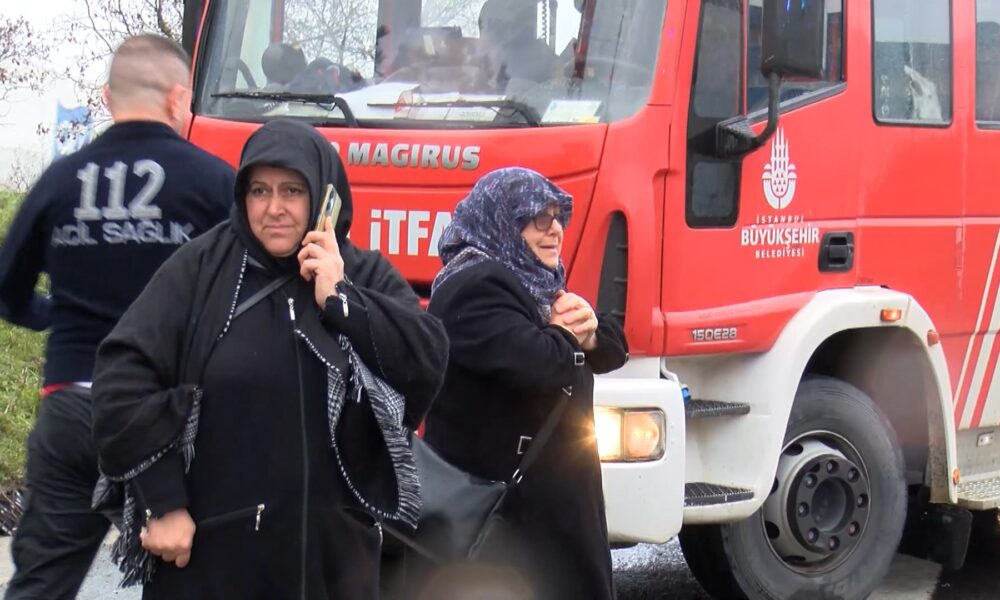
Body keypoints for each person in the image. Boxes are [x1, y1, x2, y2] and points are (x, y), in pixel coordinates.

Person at [90, 118, 449, 599]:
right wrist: (163, 500)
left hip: (333, 568)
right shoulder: (201, 269)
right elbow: (121, 378)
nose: (274, 208)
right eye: (259, 191)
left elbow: (425, 361)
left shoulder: (360, 271)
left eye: (292, 191)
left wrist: (341, 299)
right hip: (215, 566)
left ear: (324, 195)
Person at [0, 34, 235, 600]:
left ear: (107, 97)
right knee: (197, 576)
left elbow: (6, 290)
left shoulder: (60, 180)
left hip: (72, 405)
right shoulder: (213, 181)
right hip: (169, 418)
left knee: (42, 581)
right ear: (179, 98)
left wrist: (58, 315)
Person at [420, 167, 628, 599]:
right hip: (506, 519)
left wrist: (589, 332)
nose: (554, 230)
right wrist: (568, 333)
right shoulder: (472, 287)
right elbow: (541, 364)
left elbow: (613, 348)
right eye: (537, 219)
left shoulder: (535, 280)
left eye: (557, 218)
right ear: (502, 222)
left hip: (548, 509)